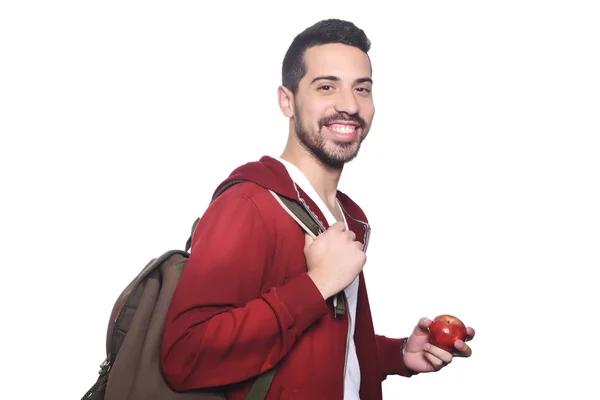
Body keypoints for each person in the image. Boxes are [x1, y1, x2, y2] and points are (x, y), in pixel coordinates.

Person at [161, 18, 475, 400]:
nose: (349, 105)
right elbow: (185, 356)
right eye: (327, 87)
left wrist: (398, 355)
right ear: (287, 100)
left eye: (362, 89)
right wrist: (317, 284)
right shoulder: (249, 205)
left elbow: (318, 352)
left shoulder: (345, 215)